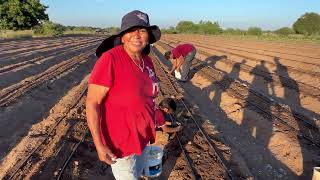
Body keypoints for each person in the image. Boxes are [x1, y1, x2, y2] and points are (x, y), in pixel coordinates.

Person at [86, 10, 161, 180]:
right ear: (123, 36)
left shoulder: (147, 61)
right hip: (121, 142)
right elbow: (92, 103)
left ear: (148, 36)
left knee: (139, 171)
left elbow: (148, 98)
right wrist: (99, 144)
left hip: (143, 138)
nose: (136, 35)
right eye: (131, 30)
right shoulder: (110, 59)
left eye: (142, 30)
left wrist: (159, 121)